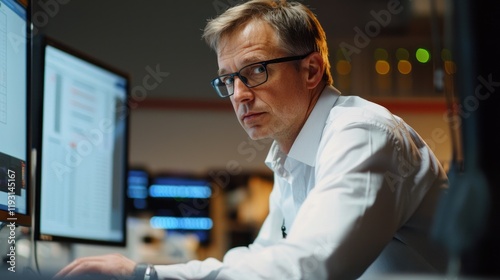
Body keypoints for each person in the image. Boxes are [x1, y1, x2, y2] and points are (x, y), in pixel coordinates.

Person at [55, 0, 449, 279]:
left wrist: (145, 274)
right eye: (228, 79)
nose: (239, 94)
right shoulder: (291, 154)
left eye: (255, 71)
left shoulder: (362, 133)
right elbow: (261, 259)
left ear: (311, 70)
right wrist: (146, 273)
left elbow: (308, 269)